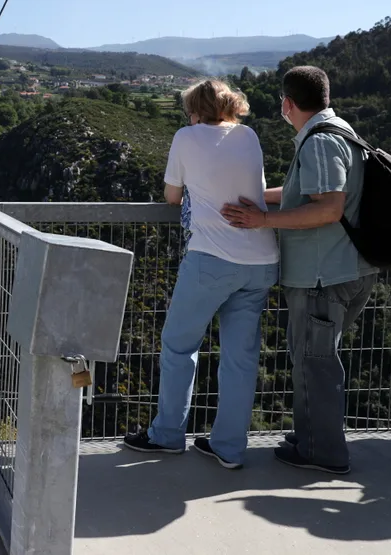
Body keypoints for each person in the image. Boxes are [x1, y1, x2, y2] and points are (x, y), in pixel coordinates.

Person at [222, 65, 376, 475]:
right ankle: (310, 436)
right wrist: (256, 198)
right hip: (345, 268)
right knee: (315, 359)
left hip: (323, 275)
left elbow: (328, 207)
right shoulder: (340, 130)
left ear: (288, 104)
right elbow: (302, 195)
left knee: (315, 363)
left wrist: (261, 221)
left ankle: (322, 451)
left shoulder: (319, 143)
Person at [124, 80, 279, 469]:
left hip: (212, 257)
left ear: (195, 109)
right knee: (240, 358)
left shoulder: (186, 136)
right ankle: (228, 448)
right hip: (261, 258)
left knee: (179, 345)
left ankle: (167, 436)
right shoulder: (248, 135)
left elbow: (172, 197)